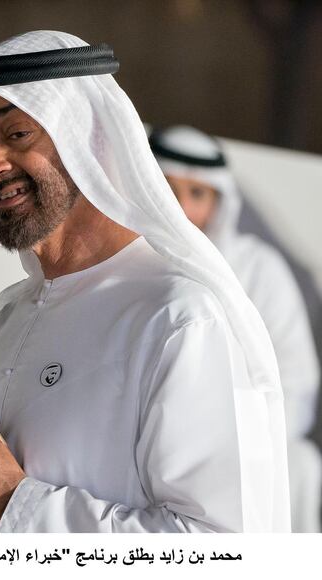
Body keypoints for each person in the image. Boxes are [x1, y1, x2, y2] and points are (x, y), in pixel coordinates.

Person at [0, 31, 290, 533]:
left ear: (92, 140)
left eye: (17, 134)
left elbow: (226, 550)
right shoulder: (9, 315)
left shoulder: (179, 316)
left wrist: (12, 508)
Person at [150, 125, 321, 532]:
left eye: (197, 194)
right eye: (168, 188)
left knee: (298, 465)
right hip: (147, 429)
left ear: (219, 201)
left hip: (242, 434)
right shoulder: (125, 258)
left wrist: (236, 432)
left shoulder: (258, 268)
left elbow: (296, 379)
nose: (181, 207)